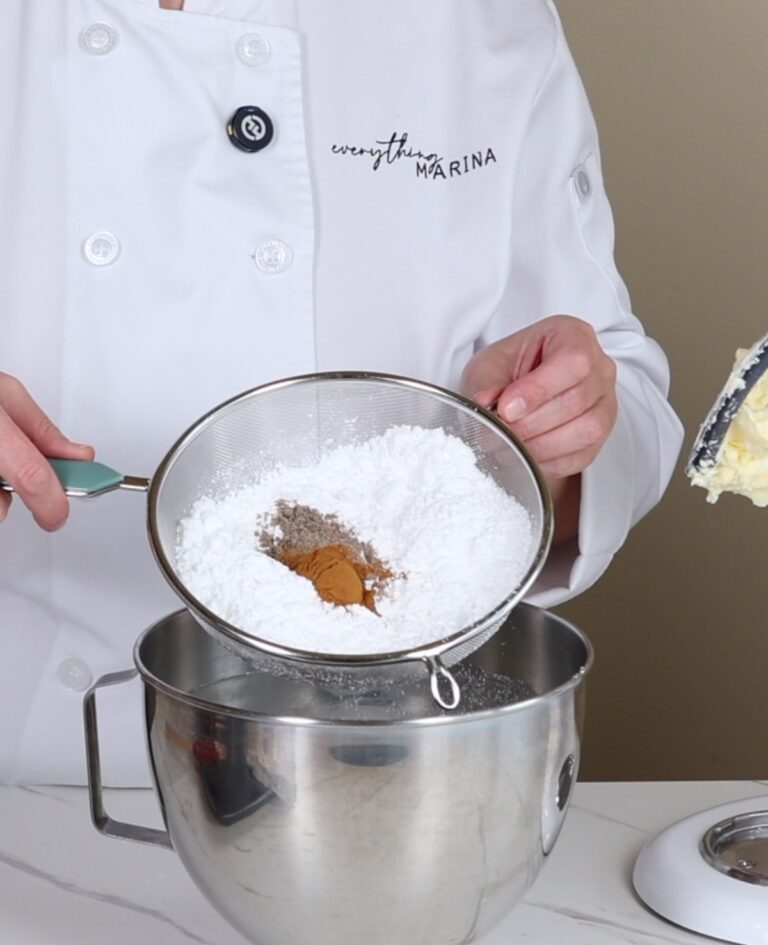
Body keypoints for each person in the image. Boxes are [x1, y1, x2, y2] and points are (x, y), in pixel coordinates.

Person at [0, 0, 683, 785]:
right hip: (19, 760)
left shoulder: (481, 24)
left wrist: (553, 434)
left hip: (378, 776)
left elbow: (621, 399)